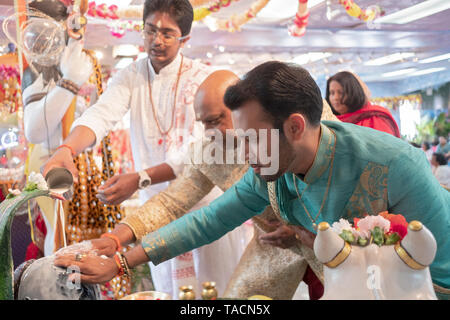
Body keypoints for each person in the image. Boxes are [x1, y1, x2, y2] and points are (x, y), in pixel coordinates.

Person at [54, 62, 450, 300]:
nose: (242, 153)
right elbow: (206, 220)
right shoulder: (269, 171)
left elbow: (438, 273)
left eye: (250, 139)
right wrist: (120, 259)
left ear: (295, 126)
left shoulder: (396, 166)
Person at [43, 0, 250, 298]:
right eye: (150, 30)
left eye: (167, 33)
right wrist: (66, 149)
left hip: (211, 208)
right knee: (171, 292)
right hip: (156, 211)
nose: (156, 40)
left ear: (185, 39)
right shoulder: (131, 75)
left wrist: (141, 177)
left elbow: (197, 152)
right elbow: (101, 114)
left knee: (219, 292)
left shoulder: (205, 80)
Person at [326, 71, 401, 138]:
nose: (335, 97)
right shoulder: (330, 122)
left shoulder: (374, 119)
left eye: (341, 93)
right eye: (332, 93)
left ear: (353, 93)